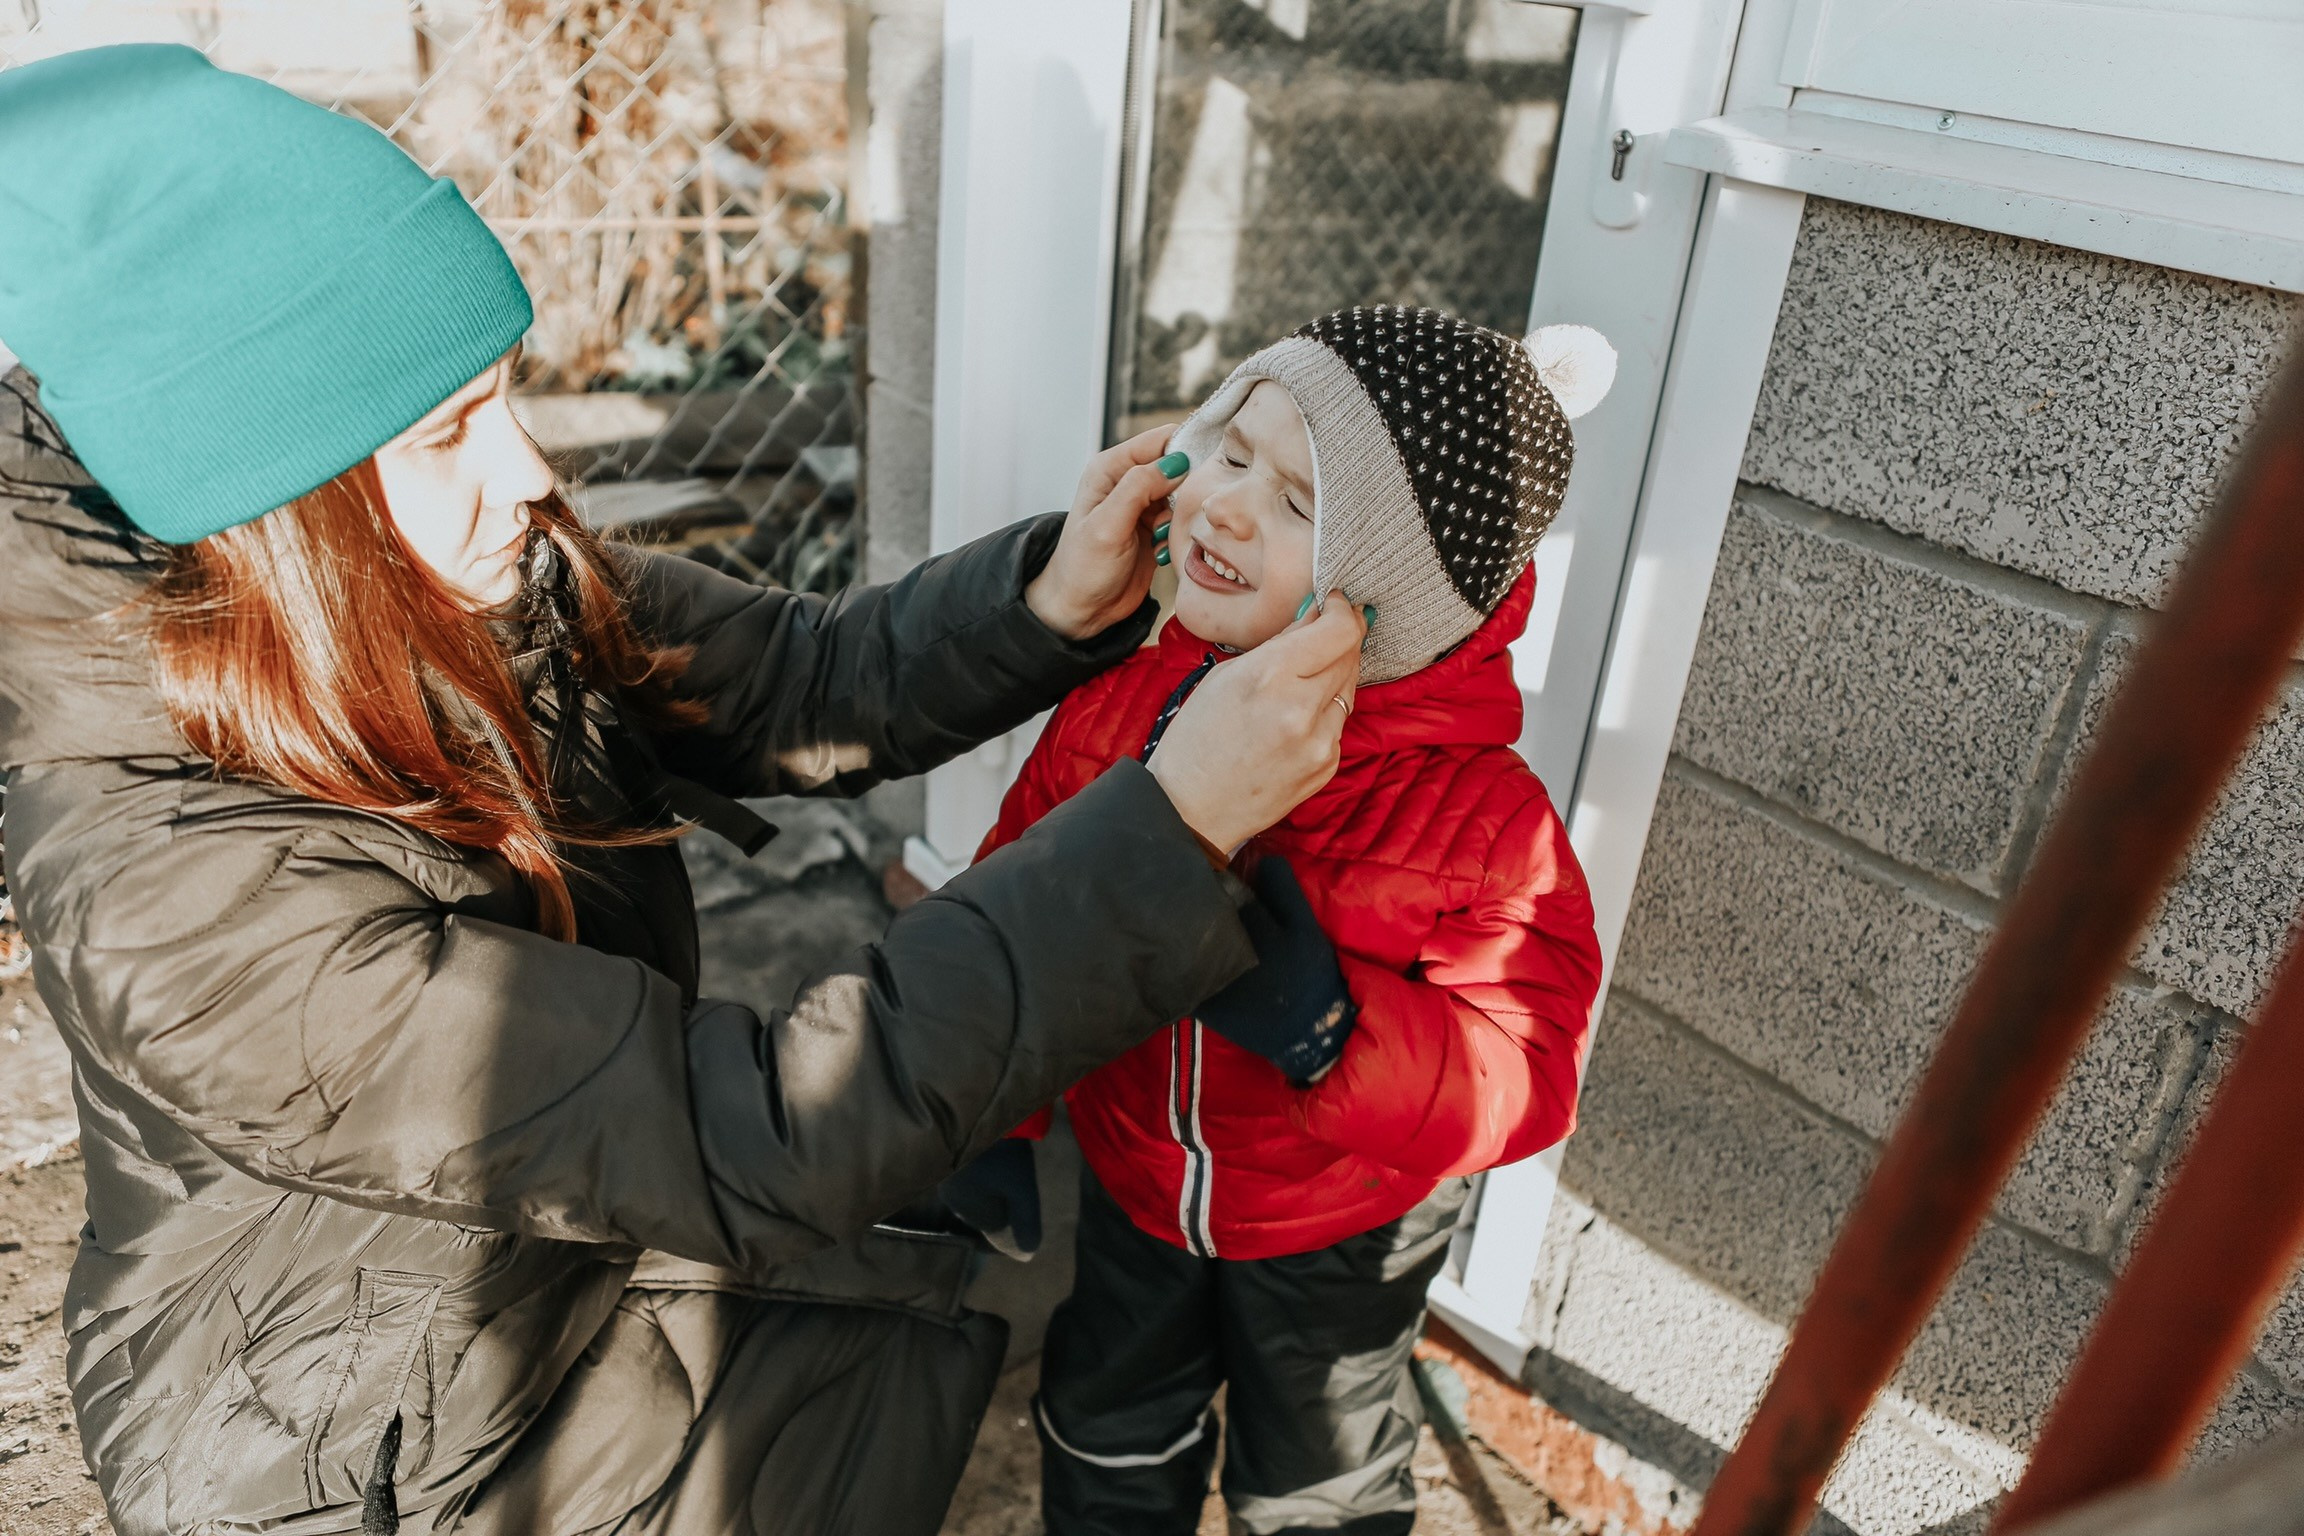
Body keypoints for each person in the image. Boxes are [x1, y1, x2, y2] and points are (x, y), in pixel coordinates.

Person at [0, 45, 1370, 1536]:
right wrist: (1168, 834)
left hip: (552, 1256)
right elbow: (753, 1131)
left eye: (505, 392)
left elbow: (795, 676)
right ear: (273, 504)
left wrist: (1044, 602)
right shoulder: (179, 891)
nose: (531, 472)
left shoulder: (452, 578)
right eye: (447, 432)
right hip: (354, 1446)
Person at [974, 306, 1614, 1535]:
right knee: (1107, 1421)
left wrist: (1335, 1030)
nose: (1223, 507)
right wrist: (993, 1110)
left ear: (1399, 588)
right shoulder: (1123, 706)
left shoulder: (1482, 823)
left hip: (1339, 1225)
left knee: (1317, 1476)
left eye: (1299, 503)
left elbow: (1527, 1068)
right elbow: (1017, 897)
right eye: (1231, 454)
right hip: (1134, 1181)